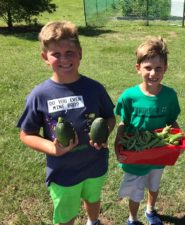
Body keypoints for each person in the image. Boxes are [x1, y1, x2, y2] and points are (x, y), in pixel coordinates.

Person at [17, 21, 116, 225]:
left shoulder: (94, 88)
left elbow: (109, 117)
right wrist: (52, 149)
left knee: (93, 197)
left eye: (70, 52)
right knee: (66, 213)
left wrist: (104, 131)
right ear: (45, 57)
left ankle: (93, 221)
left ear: (80, 53)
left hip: (95, 163)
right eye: (56, 54)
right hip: (63, 171)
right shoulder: (40, 95)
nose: (64, 59)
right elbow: (26, 134)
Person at [114, 37, 181, 225]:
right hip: (136, 154)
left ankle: (150, 211)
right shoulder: (129, 96)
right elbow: (123, 122)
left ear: (165, 68)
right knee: (135, 190)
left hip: (159, 151)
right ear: (138, 68)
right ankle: (132, 218)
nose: (153, 73)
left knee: (154, 185)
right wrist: (117, 142)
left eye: (159, 68)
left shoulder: (169, 95)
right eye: (148, 68)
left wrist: (179, 137)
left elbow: (171, 121)